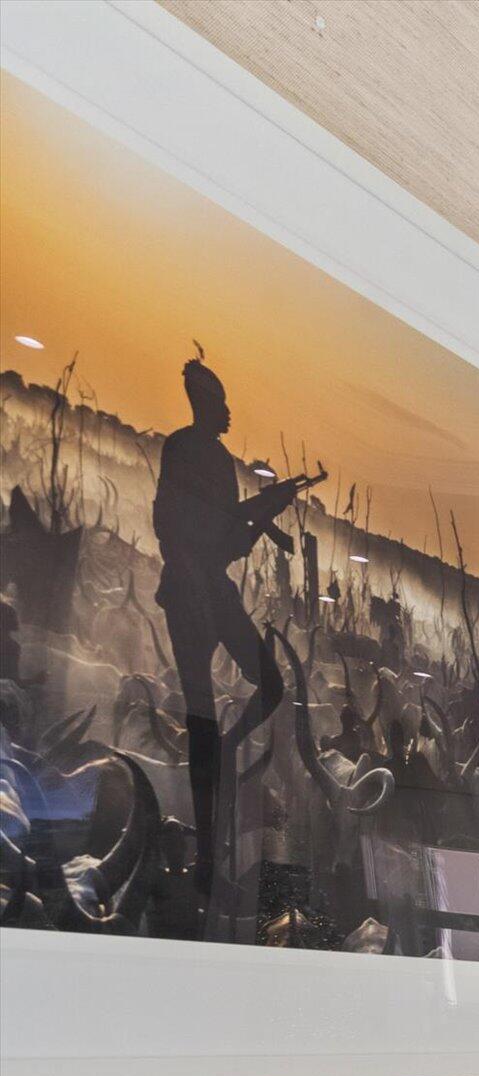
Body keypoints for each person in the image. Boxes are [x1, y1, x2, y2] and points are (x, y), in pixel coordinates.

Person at [151, 354, 315, 897]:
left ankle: (227, 745)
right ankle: (204, 858)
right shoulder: (183, 449)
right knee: (199, 712)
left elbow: (224, 540)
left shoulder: (218, 460)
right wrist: (253, 520)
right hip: (187, 589)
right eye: (220, 402)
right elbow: (175, 522)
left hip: (211, 587)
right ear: (204, 402)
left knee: (270, 683)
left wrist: (260, 518)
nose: (228, 412)